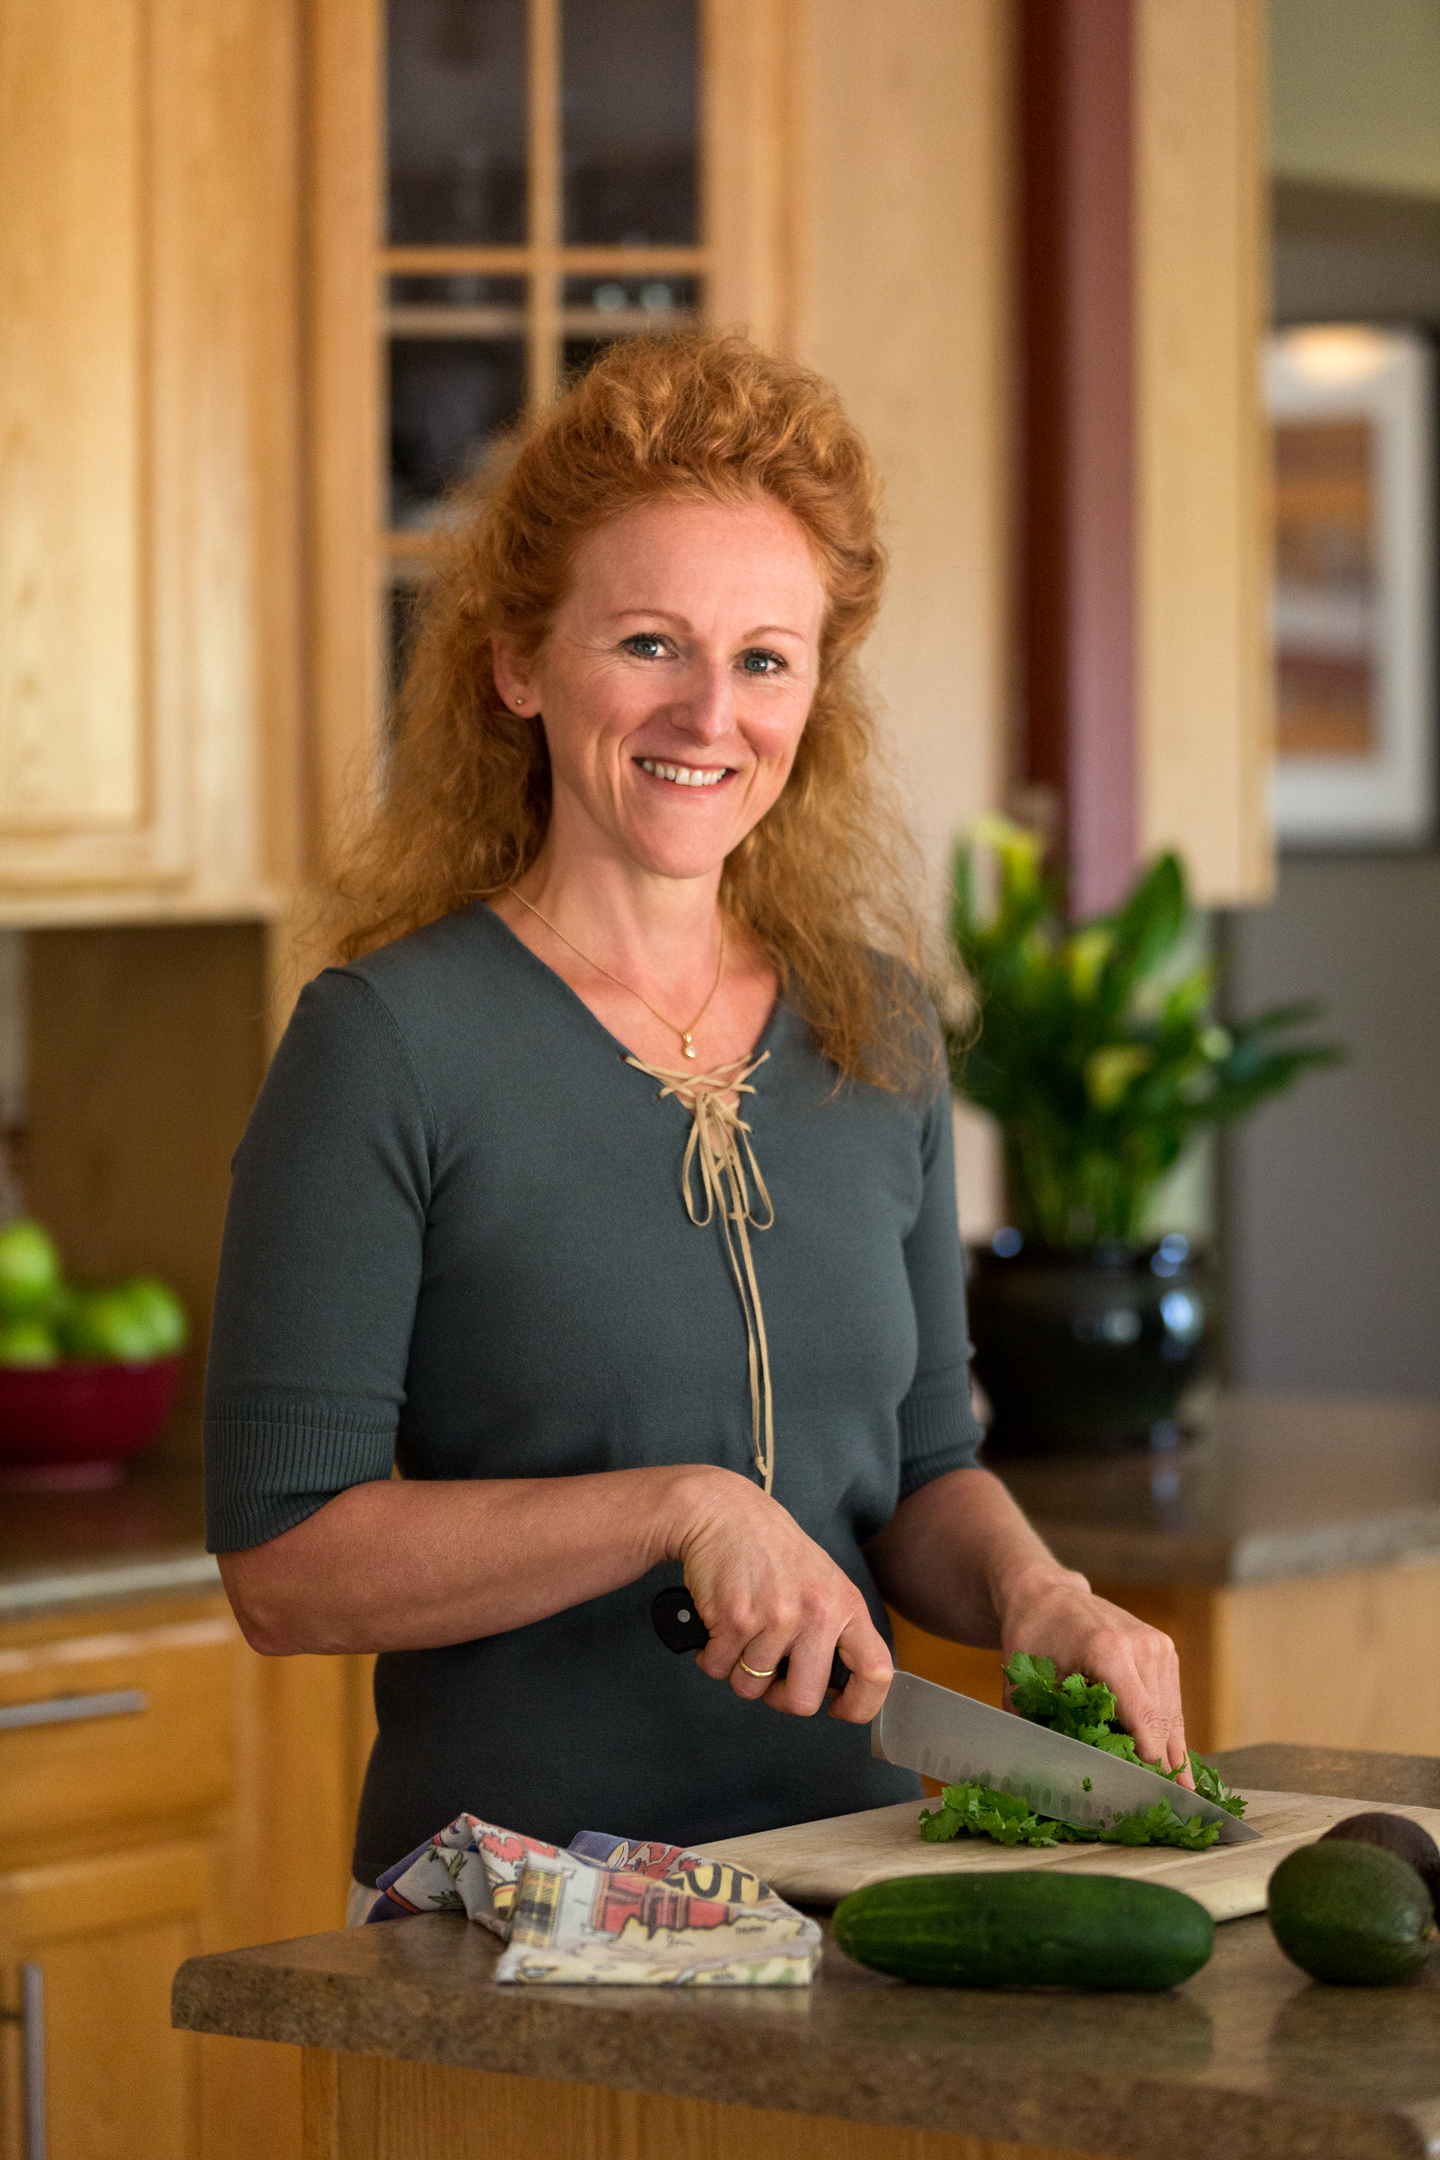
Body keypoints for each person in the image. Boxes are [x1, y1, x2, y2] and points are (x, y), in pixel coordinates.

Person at [206, 332, 1188, 1895]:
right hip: (512, 1919)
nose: (709, 713)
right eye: (649, 643)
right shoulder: (385, 1047)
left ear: (814, 694)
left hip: (862, 1888)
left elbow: (925, 1467)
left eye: (764, 658)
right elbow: (285, 1565)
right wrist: (676, 1509)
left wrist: (1039, 1597)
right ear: (519, 665)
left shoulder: (877, 1030)